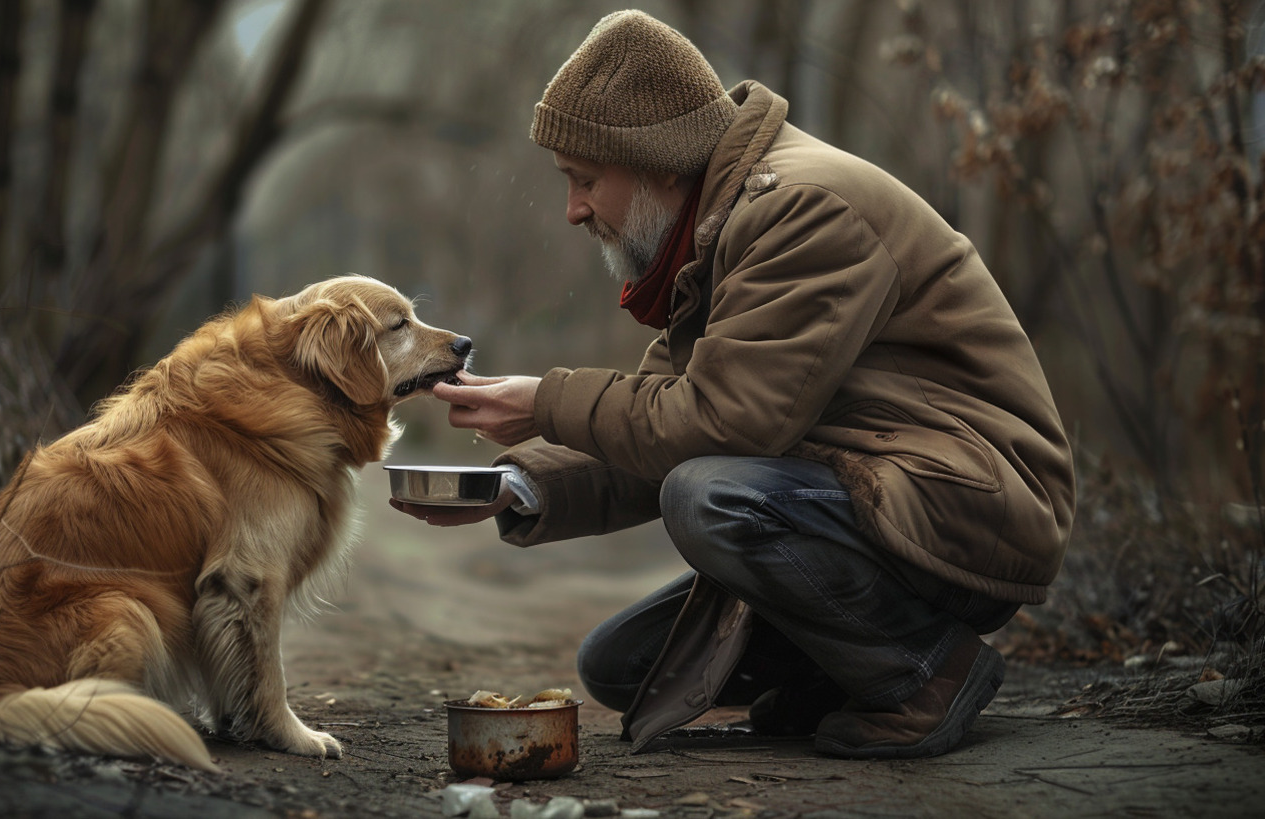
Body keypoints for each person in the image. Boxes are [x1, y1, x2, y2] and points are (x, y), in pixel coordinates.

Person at [390, 9, 1074, 760]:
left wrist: (545, 400)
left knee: (704, 494)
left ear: (658, 161)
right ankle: (846, 674)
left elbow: (720, 425)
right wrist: (515, 486)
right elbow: (656, 422)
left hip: (972, 504)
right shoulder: (717, 227)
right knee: (617, 667)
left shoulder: (800, 210)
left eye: (586, 180)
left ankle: (927, 671)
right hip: (877, 498)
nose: (574, 209)